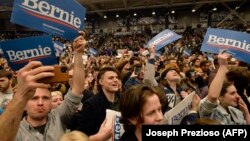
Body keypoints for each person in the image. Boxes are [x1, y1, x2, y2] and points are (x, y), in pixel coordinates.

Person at [0, 61, 55, 141]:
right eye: (34, 98)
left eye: (45, 98)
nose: (40, 103)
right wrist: (21, 95)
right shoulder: (17, 131)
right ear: (24, 105)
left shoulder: (59, 119)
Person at [199, 50, 250, 125]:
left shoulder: (236, 111)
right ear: (220, 96)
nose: (238, 96)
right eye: (232, 93)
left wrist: (246, 114)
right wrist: (223, 65)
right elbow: (213, 96)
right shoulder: (210, 112)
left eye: (236, 92)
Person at [75, 66, 120, 140]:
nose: (115, 80)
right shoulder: (91, 104)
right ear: (101, 82)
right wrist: (98, 138)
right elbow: (81, 136)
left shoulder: (124, 100)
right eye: (111, 78)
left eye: (116, 77)